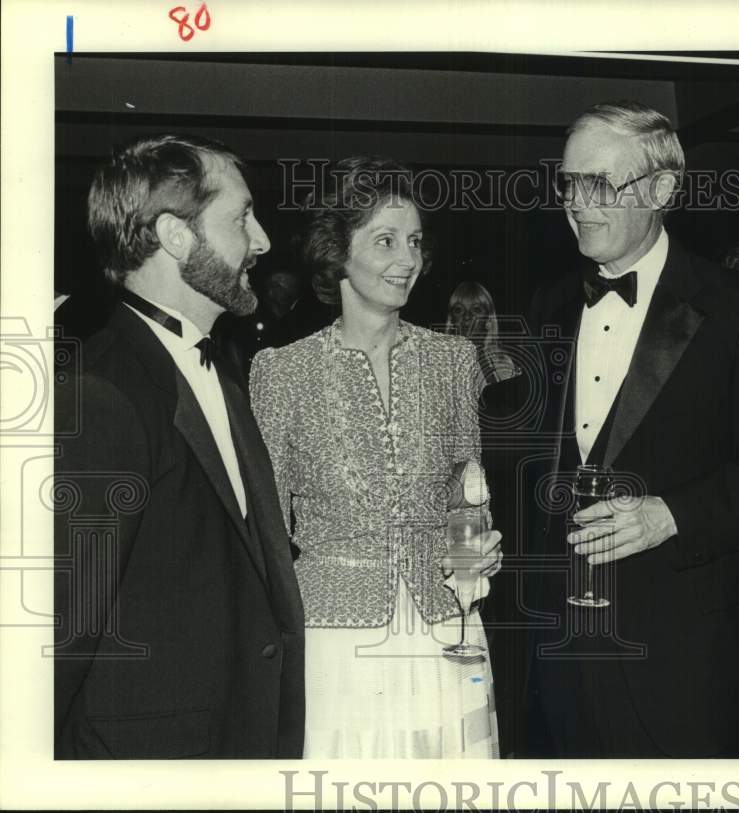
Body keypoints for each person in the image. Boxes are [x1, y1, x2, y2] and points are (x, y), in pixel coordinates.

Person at [524, 100, 739, 757]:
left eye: (600, 183)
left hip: (681, 661)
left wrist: (672, 513)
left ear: (663, 189)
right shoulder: (548, 306)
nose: (578, 202)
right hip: (561, 657)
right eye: (570, 183)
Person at [52, 134, 305, 758]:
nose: (263, 241)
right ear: (175, 235)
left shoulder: (221, 370)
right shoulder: (99, 392)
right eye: (243, 216)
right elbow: (61, 632)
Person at [249, 155, 503, 759]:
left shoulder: (453, 363)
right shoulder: (282, 372)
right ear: (337, 252)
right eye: (386, 240)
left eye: (414, 242)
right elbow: (265, 534)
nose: (408, 259)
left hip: (446, 628)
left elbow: (465, 494)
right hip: (333, 639)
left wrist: (472, 561)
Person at [445, 281, 519, 384]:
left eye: (476, 310)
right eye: (459, 310)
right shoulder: (442, 364)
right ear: (452, 320)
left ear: (488, 319)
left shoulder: (503, 361)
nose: (467, 316)